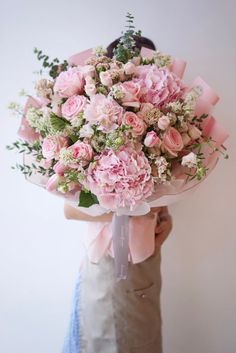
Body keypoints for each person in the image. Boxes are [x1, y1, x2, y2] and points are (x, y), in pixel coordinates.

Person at [61, 37, 173, 353]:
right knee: (98, 340)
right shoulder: (89, 134)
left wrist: (164, 216)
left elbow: (161, 199)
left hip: (145, 258)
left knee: (143, 340)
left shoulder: (155, 132)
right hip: (104, 261)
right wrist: (129, 207)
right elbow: (70, 210)